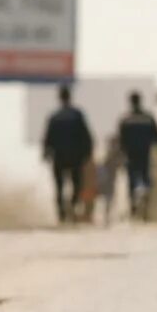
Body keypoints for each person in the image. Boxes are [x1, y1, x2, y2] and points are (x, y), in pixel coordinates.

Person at [41, 86, 94, 224]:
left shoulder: (54, 116)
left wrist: (45, 153)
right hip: (76, 157)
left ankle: (62, 214)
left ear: (60, 98)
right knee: (77, 185)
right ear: (70, 97)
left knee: (59, 186)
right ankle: (72, 204)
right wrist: (88, 153)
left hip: (59, 157)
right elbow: (86, 136)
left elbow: (47, 138)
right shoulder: (77, 115)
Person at [116, 93, 157, 222]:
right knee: (146, 180)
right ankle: (146, 208)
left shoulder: (125, 120)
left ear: (130, 102)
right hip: (145, 155)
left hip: (131, 157)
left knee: (131, 183)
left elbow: (120, 142)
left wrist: (121, 155)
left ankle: (133, 209)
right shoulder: (148, 118)